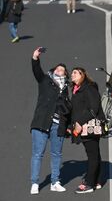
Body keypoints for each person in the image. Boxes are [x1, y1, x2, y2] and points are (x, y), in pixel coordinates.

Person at [30, 48, 70, 195]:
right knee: (37, 154)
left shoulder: (66, 87)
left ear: (65, 74)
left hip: (58, 125)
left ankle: (55, 181)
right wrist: (35, 57)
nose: (60, 70)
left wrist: (69, 125)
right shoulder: (45, 80)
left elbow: (67, 108)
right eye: (58, 68)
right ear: (54, 71)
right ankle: (35, 183)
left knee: (56, 154)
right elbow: (37, 71)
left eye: (63, 70)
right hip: (41, 123)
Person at [70, 68, 104, 193]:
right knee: (94, 153)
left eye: (75, 72)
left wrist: (79, 122)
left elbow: (93, 108)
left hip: (88, 127)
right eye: (72, 72)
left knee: (92, 155)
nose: (72, 74)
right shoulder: (76, 89)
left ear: (82, 75)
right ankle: (97, 180)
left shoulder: (89, 88)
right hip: (83, 127)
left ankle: (89, 184)